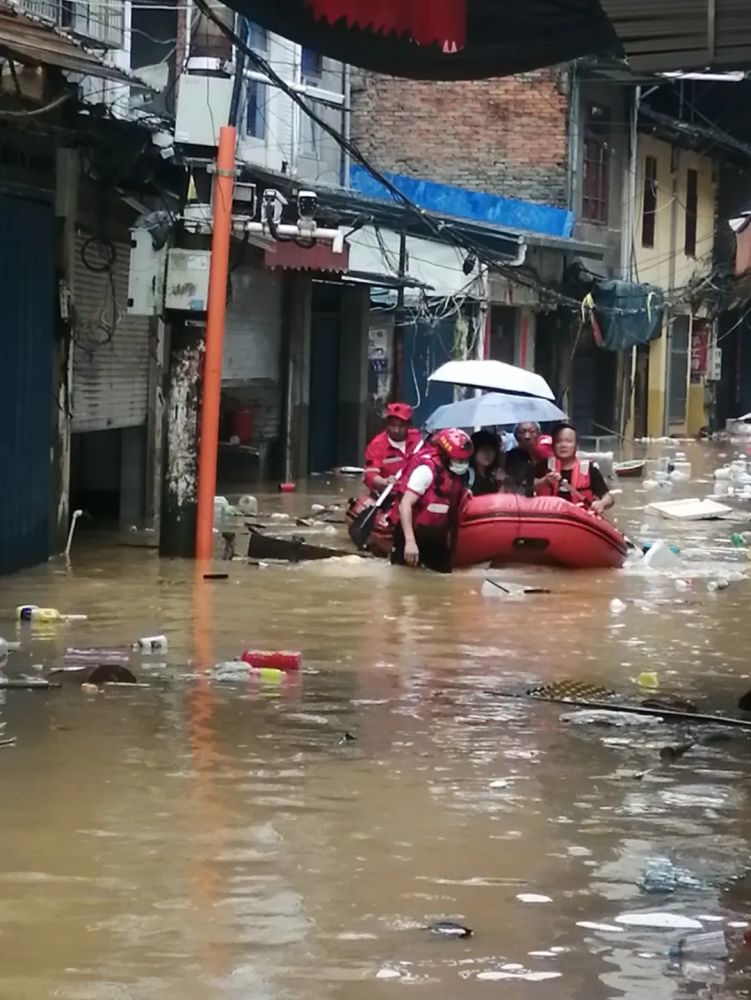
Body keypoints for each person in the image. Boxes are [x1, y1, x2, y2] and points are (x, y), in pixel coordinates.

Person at [390, 428, 473, 573]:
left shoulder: (457, 477)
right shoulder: (426, 472)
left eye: (465, 460)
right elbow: (405, 504)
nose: (463, 464)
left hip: (436, 536)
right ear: (446, 456)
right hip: (413, 534)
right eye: (459, 460)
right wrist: (410, 542)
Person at [534, 422, 614, 515]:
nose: (563, 445)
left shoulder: (588, 469)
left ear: (576, 445)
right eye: (559, 441)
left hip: (579, 520)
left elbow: (608, 497)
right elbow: (527, 488)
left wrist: (601, 503)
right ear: (553, 446)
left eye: (568, 441)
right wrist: (544, 481)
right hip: (550, 518)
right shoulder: (544, 465)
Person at [363, 402, 422, 496]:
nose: (396, 430)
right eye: (392, 425)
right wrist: (384, 482)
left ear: (408, 426)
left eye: (401, 426)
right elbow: (371, 475)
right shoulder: (377, 445)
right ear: (387, 425)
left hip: (415, 492)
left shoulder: (418, 440)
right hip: (389, 494)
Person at [503, 422, 554, 496]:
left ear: (539, 434)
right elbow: (521, 484)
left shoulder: (542, 453)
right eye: (522, 432)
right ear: (516, 436)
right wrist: (545, 481)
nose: (527, 436)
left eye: (532, 431)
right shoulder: (513, 456)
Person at [468, 431, 504, 496]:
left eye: (492, 450)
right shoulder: (466, 477)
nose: (488, 454)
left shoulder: (492, 479)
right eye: (484, 449)